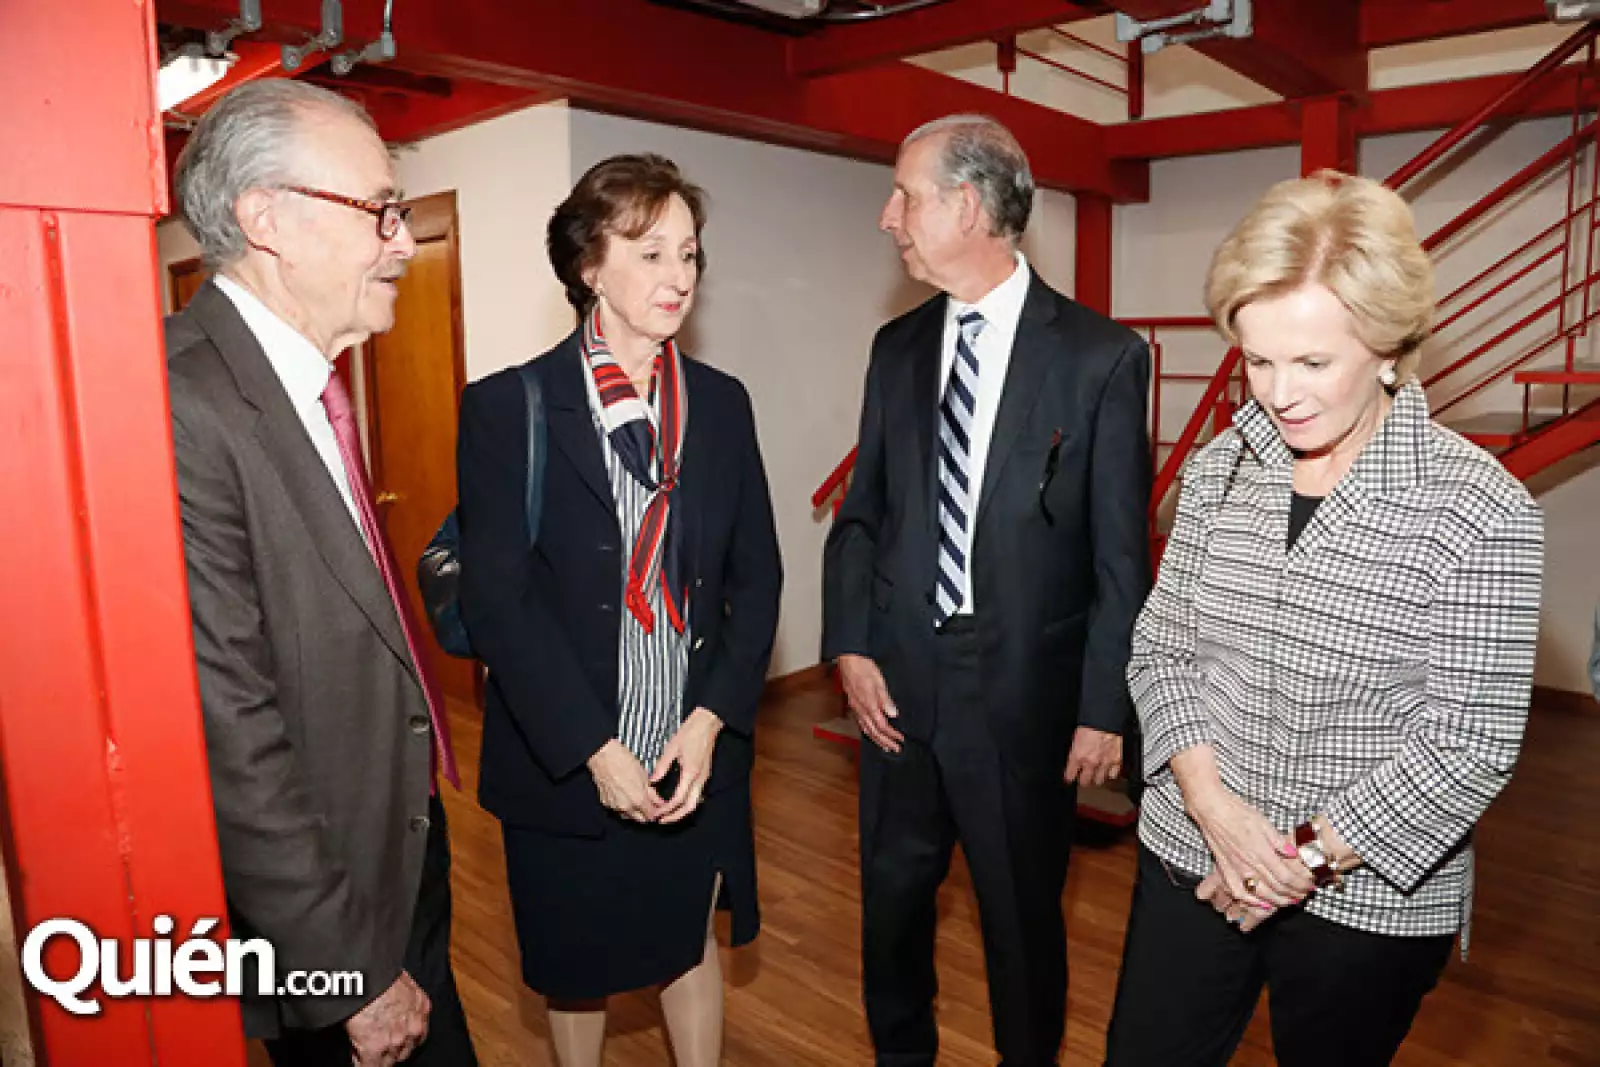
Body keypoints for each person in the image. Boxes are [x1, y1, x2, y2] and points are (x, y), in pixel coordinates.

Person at [1103, 172, 1546, 1066]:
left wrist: (1294, 861)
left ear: (1389, 346)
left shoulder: (1480, 508)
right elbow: (1162, 646)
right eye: (1258, 360)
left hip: (1367, 897)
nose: (1278, 392)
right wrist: (1213, 808)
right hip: (1192, 847)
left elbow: (1467, 739)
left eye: (1312, 362)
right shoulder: (1225, 466)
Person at [822, 114, 1153, 1067]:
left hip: (1022, 700)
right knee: (889, 913)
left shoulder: (1101, 358)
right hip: (895, 688)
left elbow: (1120, 559)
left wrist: (1103, 711)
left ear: (967, 206)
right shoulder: (898, 347)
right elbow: (859, 518)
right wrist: (849, 646)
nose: (889, 217)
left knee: (1021, 929)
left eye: (905, 194)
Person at [166, 80, 477, 1065]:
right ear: (269, 220)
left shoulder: (298, 379)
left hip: (395, 855)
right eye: (377, 208)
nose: (399, 238)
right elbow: (232, 729)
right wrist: (344, 965)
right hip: (329, 920)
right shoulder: (183, 404)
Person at [455, 153, 782, 1067]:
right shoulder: (508, 408)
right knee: (576, 961)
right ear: (588, 267)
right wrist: (594, 749)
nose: (678, 276)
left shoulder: (719, 406)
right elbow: (500, 601)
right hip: (568, 753)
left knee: (689, 936)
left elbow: (756, 576)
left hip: (689, 745)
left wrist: (712, 720)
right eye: (649, 253)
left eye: (689, 253)